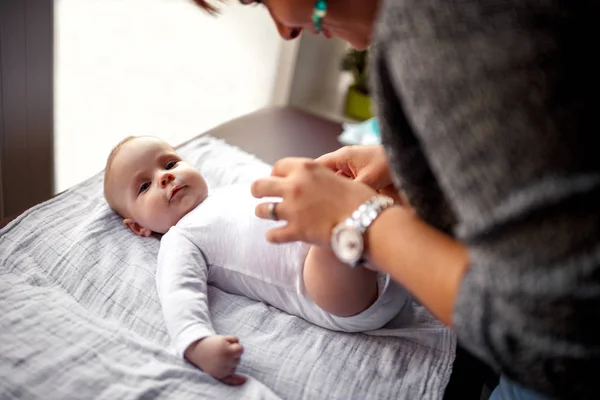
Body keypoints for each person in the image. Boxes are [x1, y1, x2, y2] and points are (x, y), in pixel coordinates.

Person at [192, 0, 599, 399]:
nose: (284, 29)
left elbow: (552, 338)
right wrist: (420, 158)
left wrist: (362, 223)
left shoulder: (433, 25)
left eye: (262, 1)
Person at [103, 135, 410, 385]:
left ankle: (394, 224)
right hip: (329, 290)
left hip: (385, 263)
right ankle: (360, 224)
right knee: (333, 226)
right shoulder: (180, 238)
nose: (165, 176)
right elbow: (178, 293)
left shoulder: (227, 193)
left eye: (170, 163)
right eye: (144, 186)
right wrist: (196, 343)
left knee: (354, 195)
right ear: (137, 226)